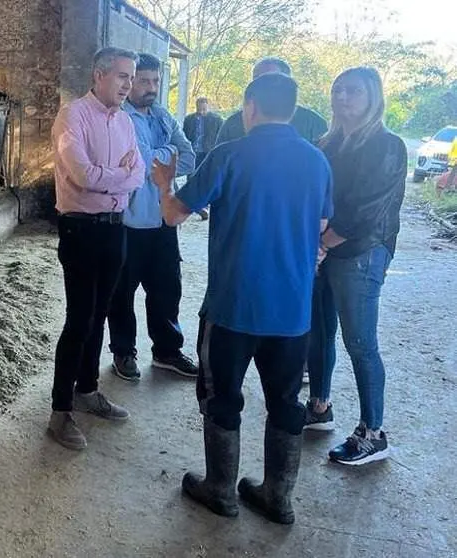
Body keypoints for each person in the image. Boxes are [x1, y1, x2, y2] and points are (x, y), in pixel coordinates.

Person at [158, 73, 333, 524]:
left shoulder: (229, 154)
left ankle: (220, 489)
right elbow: (319, 228)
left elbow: (174, 214)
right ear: (292, 109)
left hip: (233, 306)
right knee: (287, 400)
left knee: (221, 397)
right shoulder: (316, 161)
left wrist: (162, 182)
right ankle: (278, 496)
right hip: (293, 311)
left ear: (249, 107)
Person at [303, 67, 408, 466]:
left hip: (361, 252)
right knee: (319, 332)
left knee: (359, 341)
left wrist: (323, 246)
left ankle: (373, 432)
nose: (342, 97)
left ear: (373, 98)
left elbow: (366, 209)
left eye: (354, 91)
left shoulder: (387, 146)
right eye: (338, 89)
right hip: (324, 250)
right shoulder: (327, 143)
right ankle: (319, 407)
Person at [48, 47, 146, 450]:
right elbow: (82, 175)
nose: (130, 85)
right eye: (123, 76)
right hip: (81, 230)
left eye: (132, 77)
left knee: (101, 314)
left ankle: (87, 391)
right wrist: (118, 176)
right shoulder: (73, 116)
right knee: (79, 320)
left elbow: (138, 172)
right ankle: (59, 412)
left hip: (114, 229)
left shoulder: (124, 122)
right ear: (99, 74)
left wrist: (119, 176)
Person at [107, 52, 199, 381]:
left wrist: (159, 160)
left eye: (156, 81)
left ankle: (166, 351)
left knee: (167, 287)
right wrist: (164, 158)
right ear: (130, 83)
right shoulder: (121, 119)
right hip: (130, 220)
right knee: (122, 291)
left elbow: (189, 157)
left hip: (164, 216)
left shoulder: (162, 115)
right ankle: (123, 351)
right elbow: (142, 166)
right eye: (143, 80)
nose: (150, 87)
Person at [215, 57, 328, 146]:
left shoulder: (314, 123)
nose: (262, 85)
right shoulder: (233, 124)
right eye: (257, 79)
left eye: (270, 80)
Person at [183, 97, 223, 168]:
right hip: (192, 152)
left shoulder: (217, 120)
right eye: (199, 109)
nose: (201, 112)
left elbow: (221, 137)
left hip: (208, 152)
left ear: (208, 107)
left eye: (204, 109)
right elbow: (184, 135)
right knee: (191, 174)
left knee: (206, 174)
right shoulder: (188, 119)